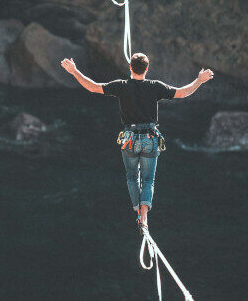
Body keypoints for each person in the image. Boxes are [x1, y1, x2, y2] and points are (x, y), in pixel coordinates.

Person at [60, 53, 213, 228]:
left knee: (132, 177)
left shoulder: (121, 86)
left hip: (130, 138)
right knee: (148, 180)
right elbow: (182, 93)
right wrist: (200, 80)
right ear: (147, 69)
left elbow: (93, 87)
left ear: (130, 68)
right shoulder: (156, 86)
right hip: (149, 138)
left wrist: (74, 71)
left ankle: (137, 211)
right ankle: (144, 217)